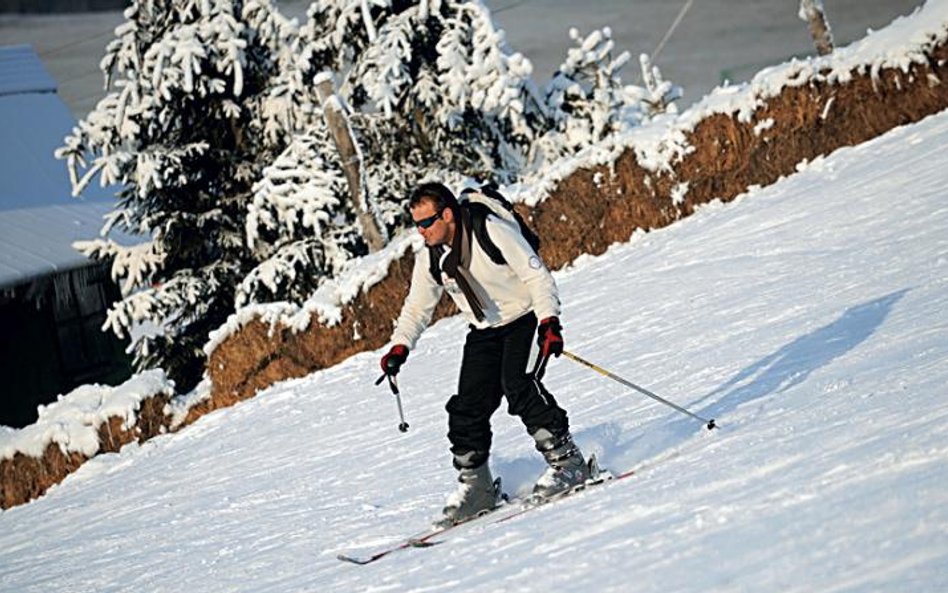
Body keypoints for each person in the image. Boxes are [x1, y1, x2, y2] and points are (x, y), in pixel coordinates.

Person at [379, 181, 590, 528]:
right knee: (466, 407)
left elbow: (537, 277)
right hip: (485, 331)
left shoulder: (490, 229)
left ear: (447, 214)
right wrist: (400, 346)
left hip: (526, 319)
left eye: (427, 222)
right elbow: (417, 308)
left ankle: (569, 464)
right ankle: (477, 488)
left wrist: (549, 322)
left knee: (519, 386)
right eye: (416, 224)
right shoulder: (431, 257)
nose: (421, 231)